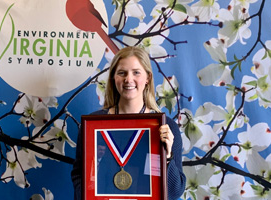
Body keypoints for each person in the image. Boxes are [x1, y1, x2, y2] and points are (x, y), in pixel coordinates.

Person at [71, 46, 186, 200]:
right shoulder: (93, 125)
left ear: (148, 78)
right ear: (113, 78)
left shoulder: (165, 127)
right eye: (122, 73)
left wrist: (167, 156)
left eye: (136, 72)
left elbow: (174, 192)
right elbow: (79, 176)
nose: (128, 79)